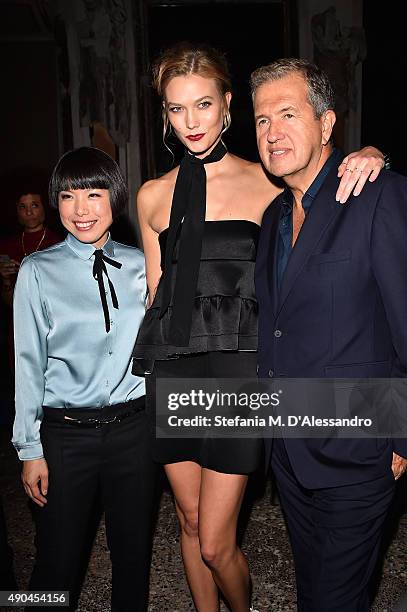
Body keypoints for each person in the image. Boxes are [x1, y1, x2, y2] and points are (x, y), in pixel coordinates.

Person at [132, 42, 386, 612]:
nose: (191, 122)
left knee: (218, 542)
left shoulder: (268, 181)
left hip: (238, 377)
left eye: (202, 105)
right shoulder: (151, 196)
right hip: (173, 368)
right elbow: (155, 297)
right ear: (166, 117)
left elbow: (329, 190)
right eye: (176, 109)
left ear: (226, 107)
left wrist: (373, 155)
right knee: (189, 521)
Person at [252, 57, 407, 611]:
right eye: (262, 120)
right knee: (315, 590)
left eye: (288, 114)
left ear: (326, 124)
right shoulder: (271, 217)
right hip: (291, 452)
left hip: (360, 448)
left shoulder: (377, 196)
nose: (272, 132)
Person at [12, 147, 157, 611]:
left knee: (133, 555)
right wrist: (29, 448)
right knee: (55, 559)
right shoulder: (37, 271)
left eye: (94, 194)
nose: (82, 209)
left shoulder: (140, 265)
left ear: (114, 199)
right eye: (70, 196)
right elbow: (27, 362)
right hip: (65, 436)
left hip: (134, 431)